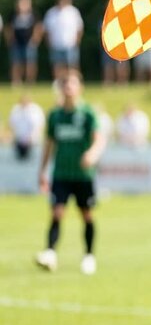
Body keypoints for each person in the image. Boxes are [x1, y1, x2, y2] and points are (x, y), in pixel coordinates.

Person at [35, 70, 105, 275]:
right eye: (65, 84)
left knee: (86, 215)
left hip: (83, 176)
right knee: (57, 212)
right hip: (61, 174)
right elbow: (48, 144)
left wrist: (92, 154)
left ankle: (89, 255)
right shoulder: (55, 116)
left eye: (72, 84)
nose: (68, 88)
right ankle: (50, 252)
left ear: (79, 88)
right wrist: (42, 171)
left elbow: (99, 139)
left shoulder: (87, 114)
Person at [4, 0, 44, 85]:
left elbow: (39, 27)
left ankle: (30, 81)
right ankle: (16, 81)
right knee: (16, 62)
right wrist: (10, 40)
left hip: (30, 43)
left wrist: (35, 40)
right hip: (16, 43)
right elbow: (8, 28)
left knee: (30, 63)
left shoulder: (34, 14)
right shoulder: (13, 14)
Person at [43, 0, 84, 80]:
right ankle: (57, 82)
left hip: (70, 43)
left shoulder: (73, 12)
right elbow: (46, 29)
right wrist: (49, 42)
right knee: (57, 65)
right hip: (56, 44)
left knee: (72, 64)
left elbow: (79, 28)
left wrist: (77, 41)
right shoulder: (51, 13)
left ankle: (74, 81)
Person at [9, 94, 45, 161]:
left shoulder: (35, 110)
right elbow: (12, 124)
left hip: (31, 140)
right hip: (19, 139)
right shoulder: (16, 110)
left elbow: (38, 125)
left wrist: (32, 137)